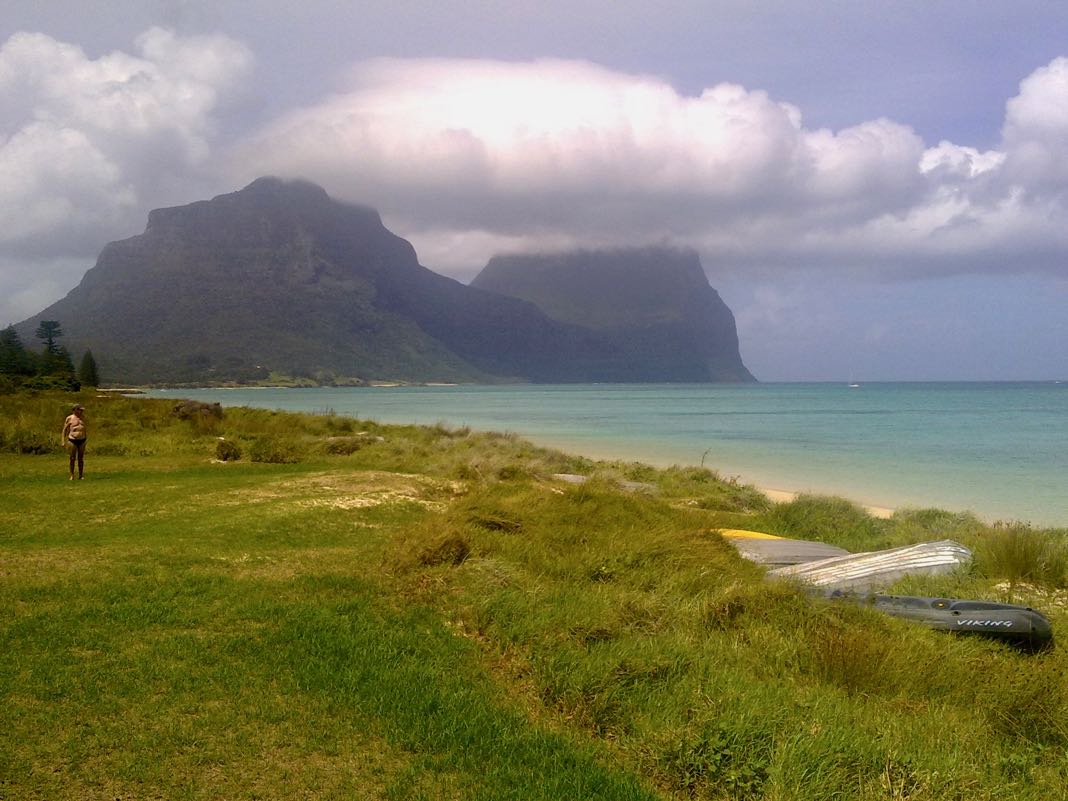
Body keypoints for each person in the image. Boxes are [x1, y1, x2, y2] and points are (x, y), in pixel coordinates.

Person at [62, 404, 87, 480]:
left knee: (81, 458)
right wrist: (63, 440)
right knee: (72, 458)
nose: (81, 411)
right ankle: (72, 475)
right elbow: (64, 430)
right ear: (75, 410)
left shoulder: (83, 418)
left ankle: (81, 475)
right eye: (80, 410)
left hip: (82, 440)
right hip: (72, 439)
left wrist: (86, 437)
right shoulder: (69, 418)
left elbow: (84, 428)